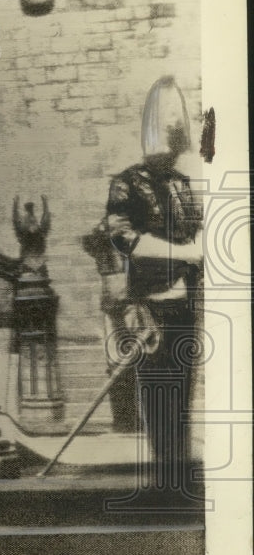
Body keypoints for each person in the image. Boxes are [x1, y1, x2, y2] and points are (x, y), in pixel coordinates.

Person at [104, 76, 204, 492]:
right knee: (158, 391)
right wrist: (182, 253)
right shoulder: (126, 182)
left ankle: (177, 467)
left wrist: (199, 247)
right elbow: (122, 237)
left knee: (182, 387)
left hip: (185, 303)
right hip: (149, 302)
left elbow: (196, 231)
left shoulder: (182, 184)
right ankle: (165, 471)